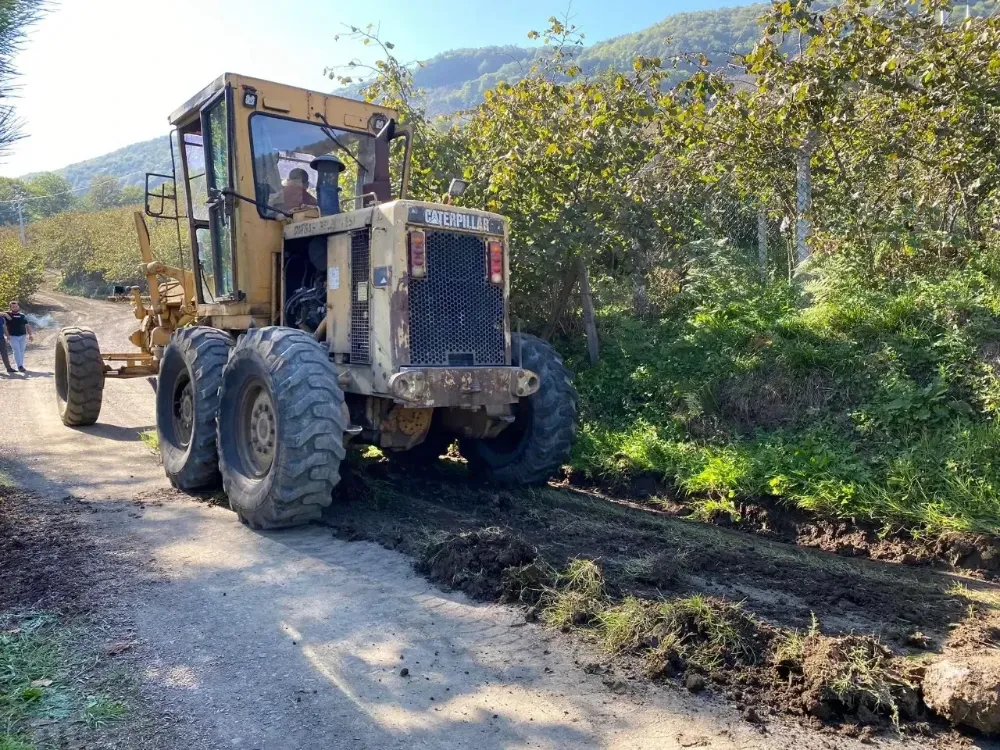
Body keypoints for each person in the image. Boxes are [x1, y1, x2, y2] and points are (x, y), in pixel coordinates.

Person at [2, 301, 32, 373]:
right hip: (12, 336)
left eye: (16, 306)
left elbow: (27, 325)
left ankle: (20, 365)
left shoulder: (22, 315)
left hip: (23, 336)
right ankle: (20, 366)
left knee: (21, 351)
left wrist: (30, 334)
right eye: (13, 307)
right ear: (10, 308)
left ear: (18, 307)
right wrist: (5, 314)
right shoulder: (8, 314)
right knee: (16, 351)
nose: (15, 308)